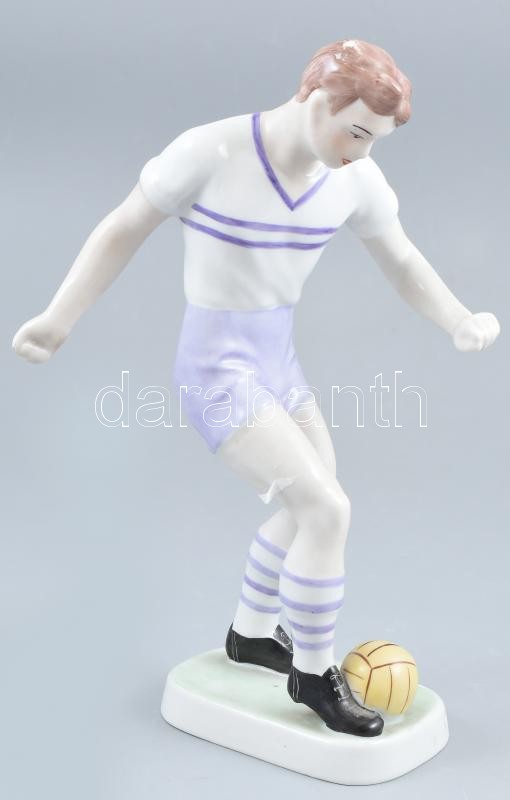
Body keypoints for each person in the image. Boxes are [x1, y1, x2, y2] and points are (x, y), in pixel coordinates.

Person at [12, 39, 500, 737]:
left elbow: (402, 259)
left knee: (315, 504)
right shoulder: (210, 152)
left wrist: (457, 319)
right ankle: (314, 675)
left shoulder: (353, 180)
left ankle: (249, 633)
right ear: (317, 100)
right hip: (216, 372)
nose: (362, 152)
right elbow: (123, 227)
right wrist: (59, 318)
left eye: (374, 140)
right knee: (325, 509)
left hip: (279, 364)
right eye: (357, 132)